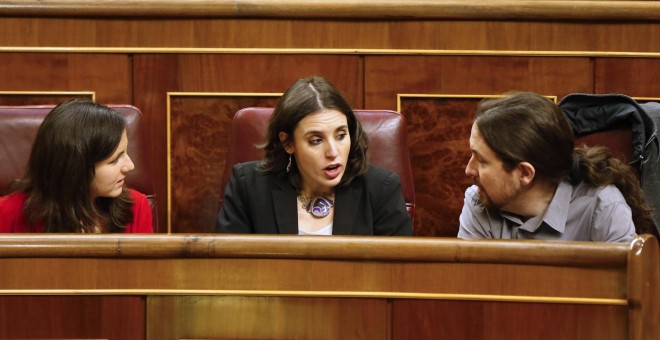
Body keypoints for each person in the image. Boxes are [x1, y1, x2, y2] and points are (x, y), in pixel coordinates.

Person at [216, 76, 413, 235]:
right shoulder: (248, 187)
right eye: (316, 140)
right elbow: (229, 272)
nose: (333, 152)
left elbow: (397, 277)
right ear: (288, 143)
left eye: (341, 135)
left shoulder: (380, 190)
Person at [459, 92, 654, 242]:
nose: (468, 170)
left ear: (525, 173)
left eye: (482, 161)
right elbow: (471, 287)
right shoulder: (478, 201)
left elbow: (625, 292)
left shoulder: (604, 208)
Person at [0, 100, 153, 233]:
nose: (130, 166)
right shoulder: (6, 214)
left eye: (125, 153)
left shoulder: (135, 208)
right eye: (114, 160)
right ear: (75, 169)